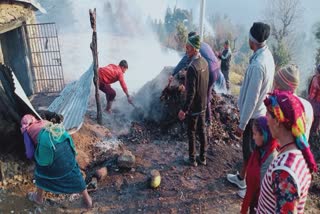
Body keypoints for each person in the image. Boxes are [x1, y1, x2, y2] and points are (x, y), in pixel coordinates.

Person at [227, 22, 275, 190]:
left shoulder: (257, 66)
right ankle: (242, 177)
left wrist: (242, 124)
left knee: (250, 152)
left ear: (252, 41)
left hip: (253, 115)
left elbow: (251, 99)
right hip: (260, 112)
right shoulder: (266, 55)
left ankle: (247, 185)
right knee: (252, 151)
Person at [257, 90, 317, 213]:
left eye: (268, 115)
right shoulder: (298, 152)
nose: (266, 120)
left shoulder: (285, 172)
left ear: (278, 121)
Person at [20, 114, 92, 208]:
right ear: (33, 119)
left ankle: (38, 198)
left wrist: (36, 158)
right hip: (66, 143)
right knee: (73, 169)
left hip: (50, 147)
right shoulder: (44, 123)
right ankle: (88, 200)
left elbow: (29, 153)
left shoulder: (27, 130)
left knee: (40, 173)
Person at [171, 31, 224, 124]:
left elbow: (184, 61)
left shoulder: (194, 47)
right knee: (207, 93)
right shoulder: (205, 45)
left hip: (209, 71)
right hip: (216, 69)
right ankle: (207, 118)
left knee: (202, 94)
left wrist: (173, 73)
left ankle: (205, 120)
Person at [177, 35, 209, 167]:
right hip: (203, 104)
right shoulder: (205, 63)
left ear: (195, 49)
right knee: (202, 131)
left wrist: (184, 110)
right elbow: (205, 84)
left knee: (191, 132)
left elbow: (191, 93)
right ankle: (203, 157)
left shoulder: (192, 68)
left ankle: (192, 159)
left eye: (188, 47)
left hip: (194, 106)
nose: (186, 50)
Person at [239, 116, 278, 214]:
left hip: (261, 206)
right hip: (254, 200)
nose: (253, 137)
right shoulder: (259, 150)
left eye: (255, 134)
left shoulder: (271, 160)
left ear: (264, 135)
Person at [273, 64, 314, 139]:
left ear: (278, 85)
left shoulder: (281, 105)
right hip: (302, 149)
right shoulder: (308, 105)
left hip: (285, 150)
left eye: (275, 82)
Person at [308, 64, 320, 135]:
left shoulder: (314, 78)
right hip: (313, 102)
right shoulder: (315, 79)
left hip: (315, 103)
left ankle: (314, 134)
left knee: (315, 121)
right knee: (313, 120)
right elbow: (311, 89)